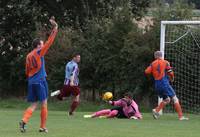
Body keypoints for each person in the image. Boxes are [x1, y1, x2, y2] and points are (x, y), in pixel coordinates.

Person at [19, 16, 58, 133]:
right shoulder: (39, 52)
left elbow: (26, 70)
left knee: (34, 103)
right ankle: (42, 127)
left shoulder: (28, 55)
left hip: (31, 81)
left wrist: (31, 77)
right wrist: (55, 27)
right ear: (38, 46)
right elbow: (50, 42)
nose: (43, 44)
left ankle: (24, 121)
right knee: (44, 103)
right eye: (41, 43)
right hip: (40, 81)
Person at [145, 51, 188, 120]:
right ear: (161, 55)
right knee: (175, 99)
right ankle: (181, 116)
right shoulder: (165, 62)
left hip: (157, 85)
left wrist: (154, 71)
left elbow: (147, 71)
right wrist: (172, 78)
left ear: (155, 56)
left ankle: (156, 110)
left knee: (167, 99)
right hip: (164, 84)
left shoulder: (153, 63)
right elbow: (170, 72)